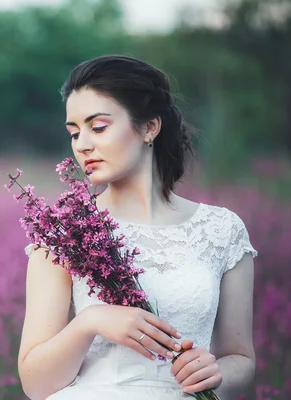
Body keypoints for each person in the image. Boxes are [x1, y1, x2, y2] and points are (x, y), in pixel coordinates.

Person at [17, 55, 257, 400]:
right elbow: (36, 384)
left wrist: (215, 373)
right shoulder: (64, 233)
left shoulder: (222, 230)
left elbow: (241, 358)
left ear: (149, 127)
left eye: (97, 127)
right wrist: (93, 321)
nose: (82, 144)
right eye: (74, 132)